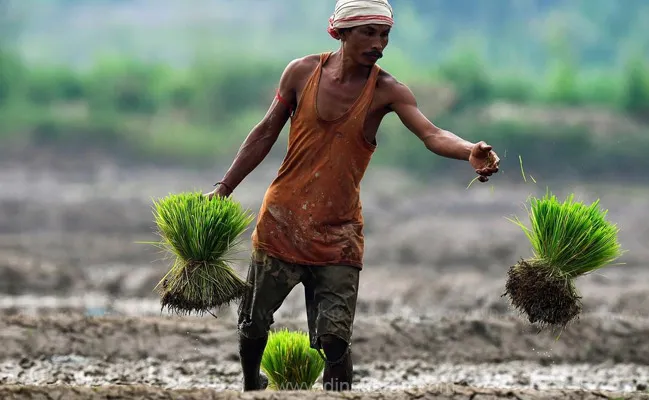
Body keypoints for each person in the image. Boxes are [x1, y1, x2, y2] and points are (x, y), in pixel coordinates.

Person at [206, 0, 500, 392]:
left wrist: (468, 151)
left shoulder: (387, 91)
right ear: (341, 32)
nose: (379, 43)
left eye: (385, 35)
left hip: (339, 234)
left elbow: (431, 134)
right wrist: (225, 187)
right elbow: (264, 133)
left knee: (335, 339)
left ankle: (339, 394)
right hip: (281, 223)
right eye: (369, 33)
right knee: (253, 321)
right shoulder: (301, 73)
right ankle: (250, 384)